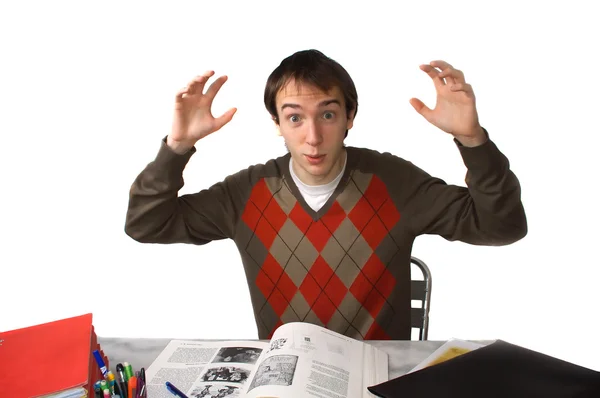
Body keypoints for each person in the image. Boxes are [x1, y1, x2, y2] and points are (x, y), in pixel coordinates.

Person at [125, 49, 527, 340]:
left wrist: (473, 141)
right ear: (277, 123)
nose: (313, 137)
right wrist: (176, 148)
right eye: (295, 117)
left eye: (328, 115)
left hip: (377, 381)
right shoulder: (246, 193)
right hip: (285, 382)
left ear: (350, 117)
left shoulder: (393, 183)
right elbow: (146, 224)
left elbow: (502, 226)